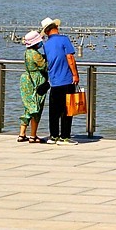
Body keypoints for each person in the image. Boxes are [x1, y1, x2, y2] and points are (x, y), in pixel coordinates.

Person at [40, 16, 80, 145]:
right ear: (56, 27)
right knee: (67, 109)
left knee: (54, 110)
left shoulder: (46, 45)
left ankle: (53, 136)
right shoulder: (64, 40)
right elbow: (70, 58)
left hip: (54, 81)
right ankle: (65, 137)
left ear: (46, 32)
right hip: (67, 79)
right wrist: (75, 75)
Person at [18, 30, 47, 143]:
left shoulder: (27, 53)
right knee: (36, 108)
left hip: (26, 79)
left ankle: (22, 133)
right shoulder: (35, 54)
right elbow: (43, 67)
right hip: (36, 81)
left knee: (28, 107)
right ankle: (33, 135)